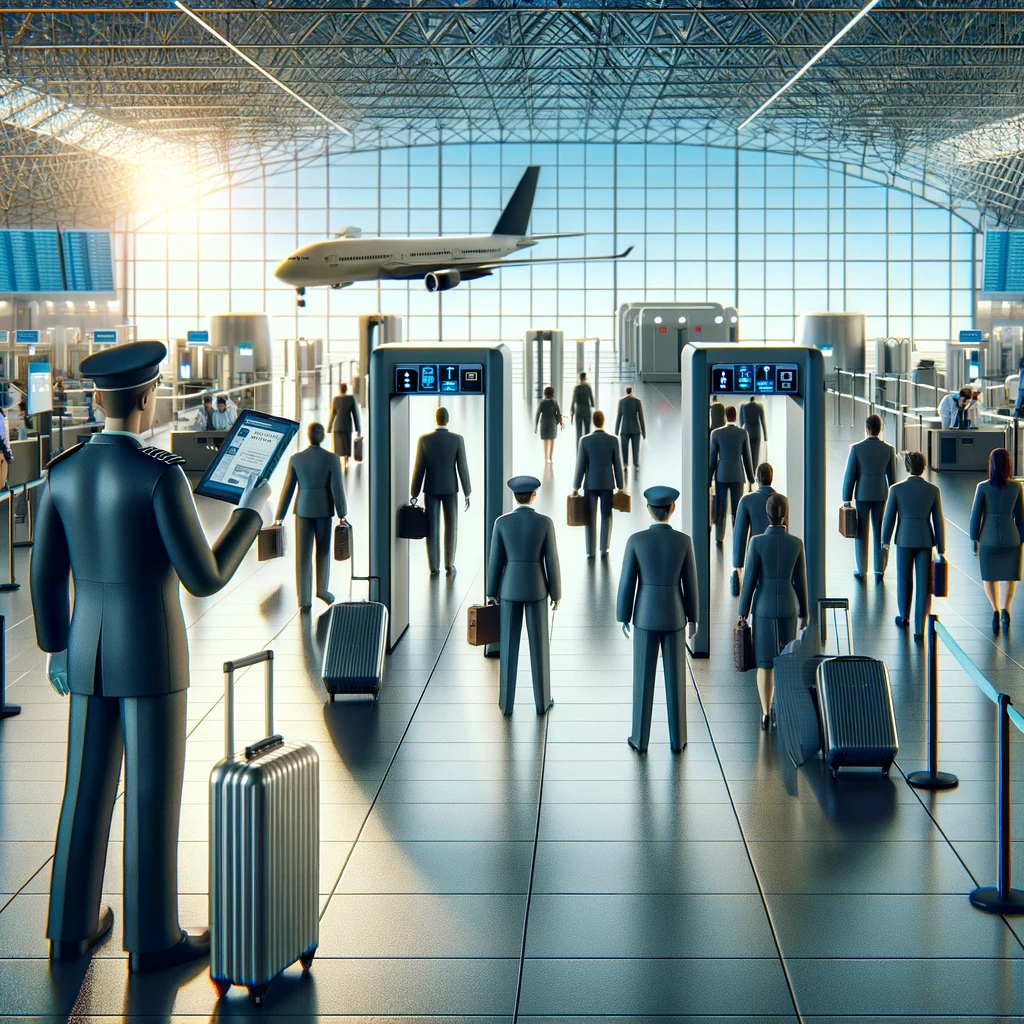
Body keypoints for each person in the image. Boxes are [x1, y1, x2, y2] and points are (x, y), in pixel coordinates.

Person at [30, 341, 269, 972]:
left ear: (97, 399)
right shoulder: (162, 476)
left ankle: (71, 926)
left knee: (83, 790)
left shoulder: (63, 471)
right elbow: (205, 575)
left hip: (89, 656)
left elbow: (45, 575)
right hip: (154, 656)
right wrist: (251, 515)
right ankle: (154, 937)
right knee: (151, 794)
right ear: (147, 397)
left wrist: (57, 648)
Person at [617, 485, 698, 754]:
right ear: (672, 509)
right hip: (675, 615)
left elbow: (627, 583)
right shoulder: (684, 541)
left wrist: (623, 617)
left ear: (649, 510)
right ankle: (678, 739)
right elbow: (691, 583)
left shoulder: (636, 541)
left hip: (644, 616)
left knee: (643, 679)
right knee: (676, 680)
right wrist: (694, 617)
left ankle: (640, 739)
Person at [486, 475, 560, 715]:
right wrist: (555, 592)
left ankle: (506, 703)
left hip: (509, 589)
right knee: (540, 647)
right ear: (535, 495)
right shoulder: (544, 522)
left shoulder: (502, 522)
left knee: (508, 647)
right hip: (537, 588)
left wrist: (491, 591)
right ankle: (542, 701)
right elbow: (552, 560)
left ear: (514, 496)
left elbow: (495, 561)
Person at [738, 494, 808, 730]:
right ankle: (782, 709)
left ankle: (766, 713)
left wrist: (742, 612)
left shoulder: (756, 543)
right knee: (785, 661)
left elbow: (749, 581)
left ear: (766, 514)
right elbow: (801, 582)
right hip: (788, 606)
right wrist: (805, 612)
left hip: (764, 608)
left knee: (765, 663)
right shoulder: (796, 543)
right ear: (785, 515)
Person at [274, 421, 348, 609]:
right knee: (323, 551)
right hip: (323, 510)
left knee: (302, 555)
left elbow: (287, 489)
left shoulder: (296, 458)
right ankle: (322, 590)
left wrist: (279, 515)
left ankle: (304, 598)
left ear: (308, 435)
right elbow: (337, 488)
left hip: (302, 509)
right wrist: (342, 513)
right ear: (322, 436)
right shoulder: (331, 458)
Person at [881, 450, 945, 641]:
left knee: (904, 579)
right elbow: (938, 520)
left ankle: (904, 616)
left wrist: (884, 541)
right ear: (924, 467)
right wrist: (941, 547)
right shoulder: (933, 490)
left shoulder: (896, 489)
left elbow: (889, 518)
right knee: (923, 585)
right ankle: (920, 628)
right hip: (925, 540)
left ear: (907, 467)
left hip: (904, 539)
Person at [411, 406, 471, 577]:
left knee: (432, 527)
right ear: (448, 419)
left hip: (431, 487)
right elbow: (463, 468)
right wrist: (467, 491)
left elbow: (418, 467)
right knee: (451, 526)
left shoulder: (425, 440)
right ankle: (449, 563)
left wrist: (414, 492)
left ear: (436, 419)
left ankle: (433, 566)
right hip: (451, 488)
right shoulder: (457, 439)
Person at [970, 447, 1024, 633]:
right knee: (1011, 576)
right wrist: (1021, 539)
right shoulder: (1017, 487)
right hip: (1011, 537)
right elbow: (1020, 517)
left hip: (988, 538)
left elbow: (975, 516)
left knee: (990, 576)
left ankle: (994, 610)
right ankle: (1006, 608)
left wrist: (973, 539)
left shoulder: (983, 487)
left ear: (991, 465)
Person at [842, 413, 897, 582]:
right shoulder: (888, 449)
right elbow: (892, 479)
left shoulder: (857, 448)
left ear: (867, 429)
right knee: (880, 531)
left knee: (861, 533)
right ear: (880, 430)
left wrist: (846, 497)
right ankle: (879, 569)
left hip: (862, 495)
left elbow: (850, 475)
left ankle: (861, 569)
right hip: (880, 494)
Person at [572, 409, 624, 558]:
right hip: (607, 484)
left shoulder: (585, 440)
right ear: (603, 421)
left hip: (590, 484)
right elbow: (617, 465)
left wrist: (576, 486)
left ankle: (590, 550)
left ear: (593, 422)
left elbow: (580, 465)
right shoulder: (613, 440)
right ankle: (604, 548)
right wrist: (620, 486)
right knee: (606, 516)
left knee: (590, 517)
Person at [709, 405, 754, 548]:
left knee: (720, 507)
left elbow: (712, 459)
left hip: (721, 474)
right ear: (735, 416)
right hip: (737, 474)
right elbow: (747, 457)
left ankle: (719, 537)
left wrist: (709, 479)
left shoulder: (716, 434)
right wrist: (751, 479)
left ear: (725, 416)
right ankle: (737, 536)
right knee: (737, 509)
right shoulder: (742, 433)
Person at [732, 463, 779, 584]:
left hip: (755, 554)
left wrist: (738, 566)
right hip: (777, 553)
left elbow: (739, 535)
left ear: (757, 479)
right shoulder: (781, 500)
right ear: (772, 478)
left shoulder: (746, 500)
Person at [327, 381, 361, 470]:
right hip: (347, 425)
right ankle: (346, 461)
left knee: (338, 446)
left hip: (337, 425)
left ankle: (339, 462)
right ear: (346, 389)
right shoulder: (350, 399)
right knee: (347, 444)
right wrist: (358, 429)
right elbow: (355, 414)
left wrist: (329, 428)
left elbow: (332, 414)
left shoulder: (335, 399)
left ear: (339, 389)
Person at [615, 386, 646, 470]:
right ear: (631, 391)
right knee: (636, 448)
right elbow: (641, 418)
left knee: (624, 448)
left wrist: (616, 432)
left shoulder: (621, 402)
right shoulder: (637, 402)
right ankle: (635, 463)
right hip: (635, 429)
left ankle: (625, 464)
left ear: (626, 391)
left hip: (624, 429)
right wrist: (643, 432)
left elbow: (619, 417)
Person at [534, 385, 563, 463]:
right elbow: (558, 413)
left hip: (543, 423)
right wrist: (560, 422)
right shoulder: (554, 402)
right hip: (552, 423)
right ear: (552, 393)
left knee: (545, 441)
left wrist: (536, 425)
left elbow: (538, 414)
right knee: (552, 440)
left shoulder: (542, 402)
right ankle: (550, 456)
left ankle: (545, 457)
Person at [739, 396, 767, 470]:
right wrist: (765, 437)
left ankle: (749, 475)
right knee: (756, 455)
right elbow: (763, 421)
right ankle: (754, 473)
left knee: (747, 454)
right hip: (756, 432)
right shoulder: (759, 406)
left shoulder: (743, 407)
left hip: (747, 431)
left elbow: (741, 422)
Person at [570, 371, 595, 444]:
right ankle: (587, 449)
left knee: (578, 433)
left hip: (578, 411)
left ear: (579, 378)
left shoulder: (576, 388)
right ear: (585, 378)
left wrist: (572, 414)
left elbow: (573, 401)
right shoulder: (588, 388)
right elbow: (592, 401)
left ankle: (579, 450)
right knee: (587, 432)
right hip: (587, 411)